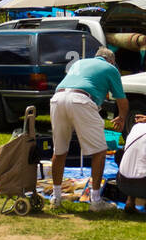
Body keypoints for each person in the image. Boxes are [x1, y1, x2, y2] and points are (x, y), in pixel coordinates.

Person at [50, 47, 128, 213]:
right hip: (81, 100)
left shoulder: (80, 62)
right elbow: (122, 100)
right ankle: (96, 200)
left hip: (57, 98)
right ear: (111, 61)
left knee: (59, 150)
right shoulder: (110, 68)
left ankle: (56, 197)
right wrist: (122, 117)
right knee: (100, 151)